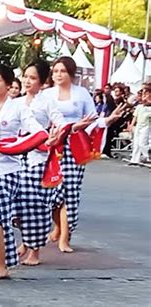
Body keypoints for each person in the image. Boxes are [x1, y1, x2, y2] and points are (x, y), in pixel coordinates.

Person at [0, 64, 57, 280]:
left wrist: (42, 140)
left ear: (8, 85)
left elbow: (37, 132)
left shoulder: (18, 109)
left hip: (8, 169)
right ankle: (1, 255)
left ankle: (1, 265)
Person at [13, 59, 94, 266]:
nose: (28, 81)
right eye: (26, 77)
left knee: (37, 205)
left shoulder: (47, 101)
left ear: (41, 82)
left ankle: (35, 250)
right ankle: (27, 241)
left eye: (33, 78)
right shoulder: (16, 102)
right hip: (15, 158)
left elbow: (61, 125)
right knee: (18, 206)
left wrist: (74, 128)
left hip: (40, 157)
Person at [43, 56, 124, 252]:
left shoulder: (81, 94)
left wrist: (108, 120)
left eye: (62, 71)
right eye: (55, 71)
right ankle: (58, 225)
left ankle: (65, 237)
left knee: (69, 192)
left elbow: (92, 120)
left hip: (75, 148)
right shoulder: (47, 95)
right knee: (51, 193)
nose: (58, 75)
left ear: (70, 73)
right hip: (53, 147)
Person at [129, 83, 151, 165]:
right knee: (136, 142)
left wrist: (146, 100)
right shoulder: (140, 106)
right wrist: (131, 125)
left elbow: (147, 101)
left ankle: (147, 155)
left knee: (142, 142)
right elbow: (135, 116)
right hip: (139, 124)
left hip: (146, 125)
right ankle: (134, 159)